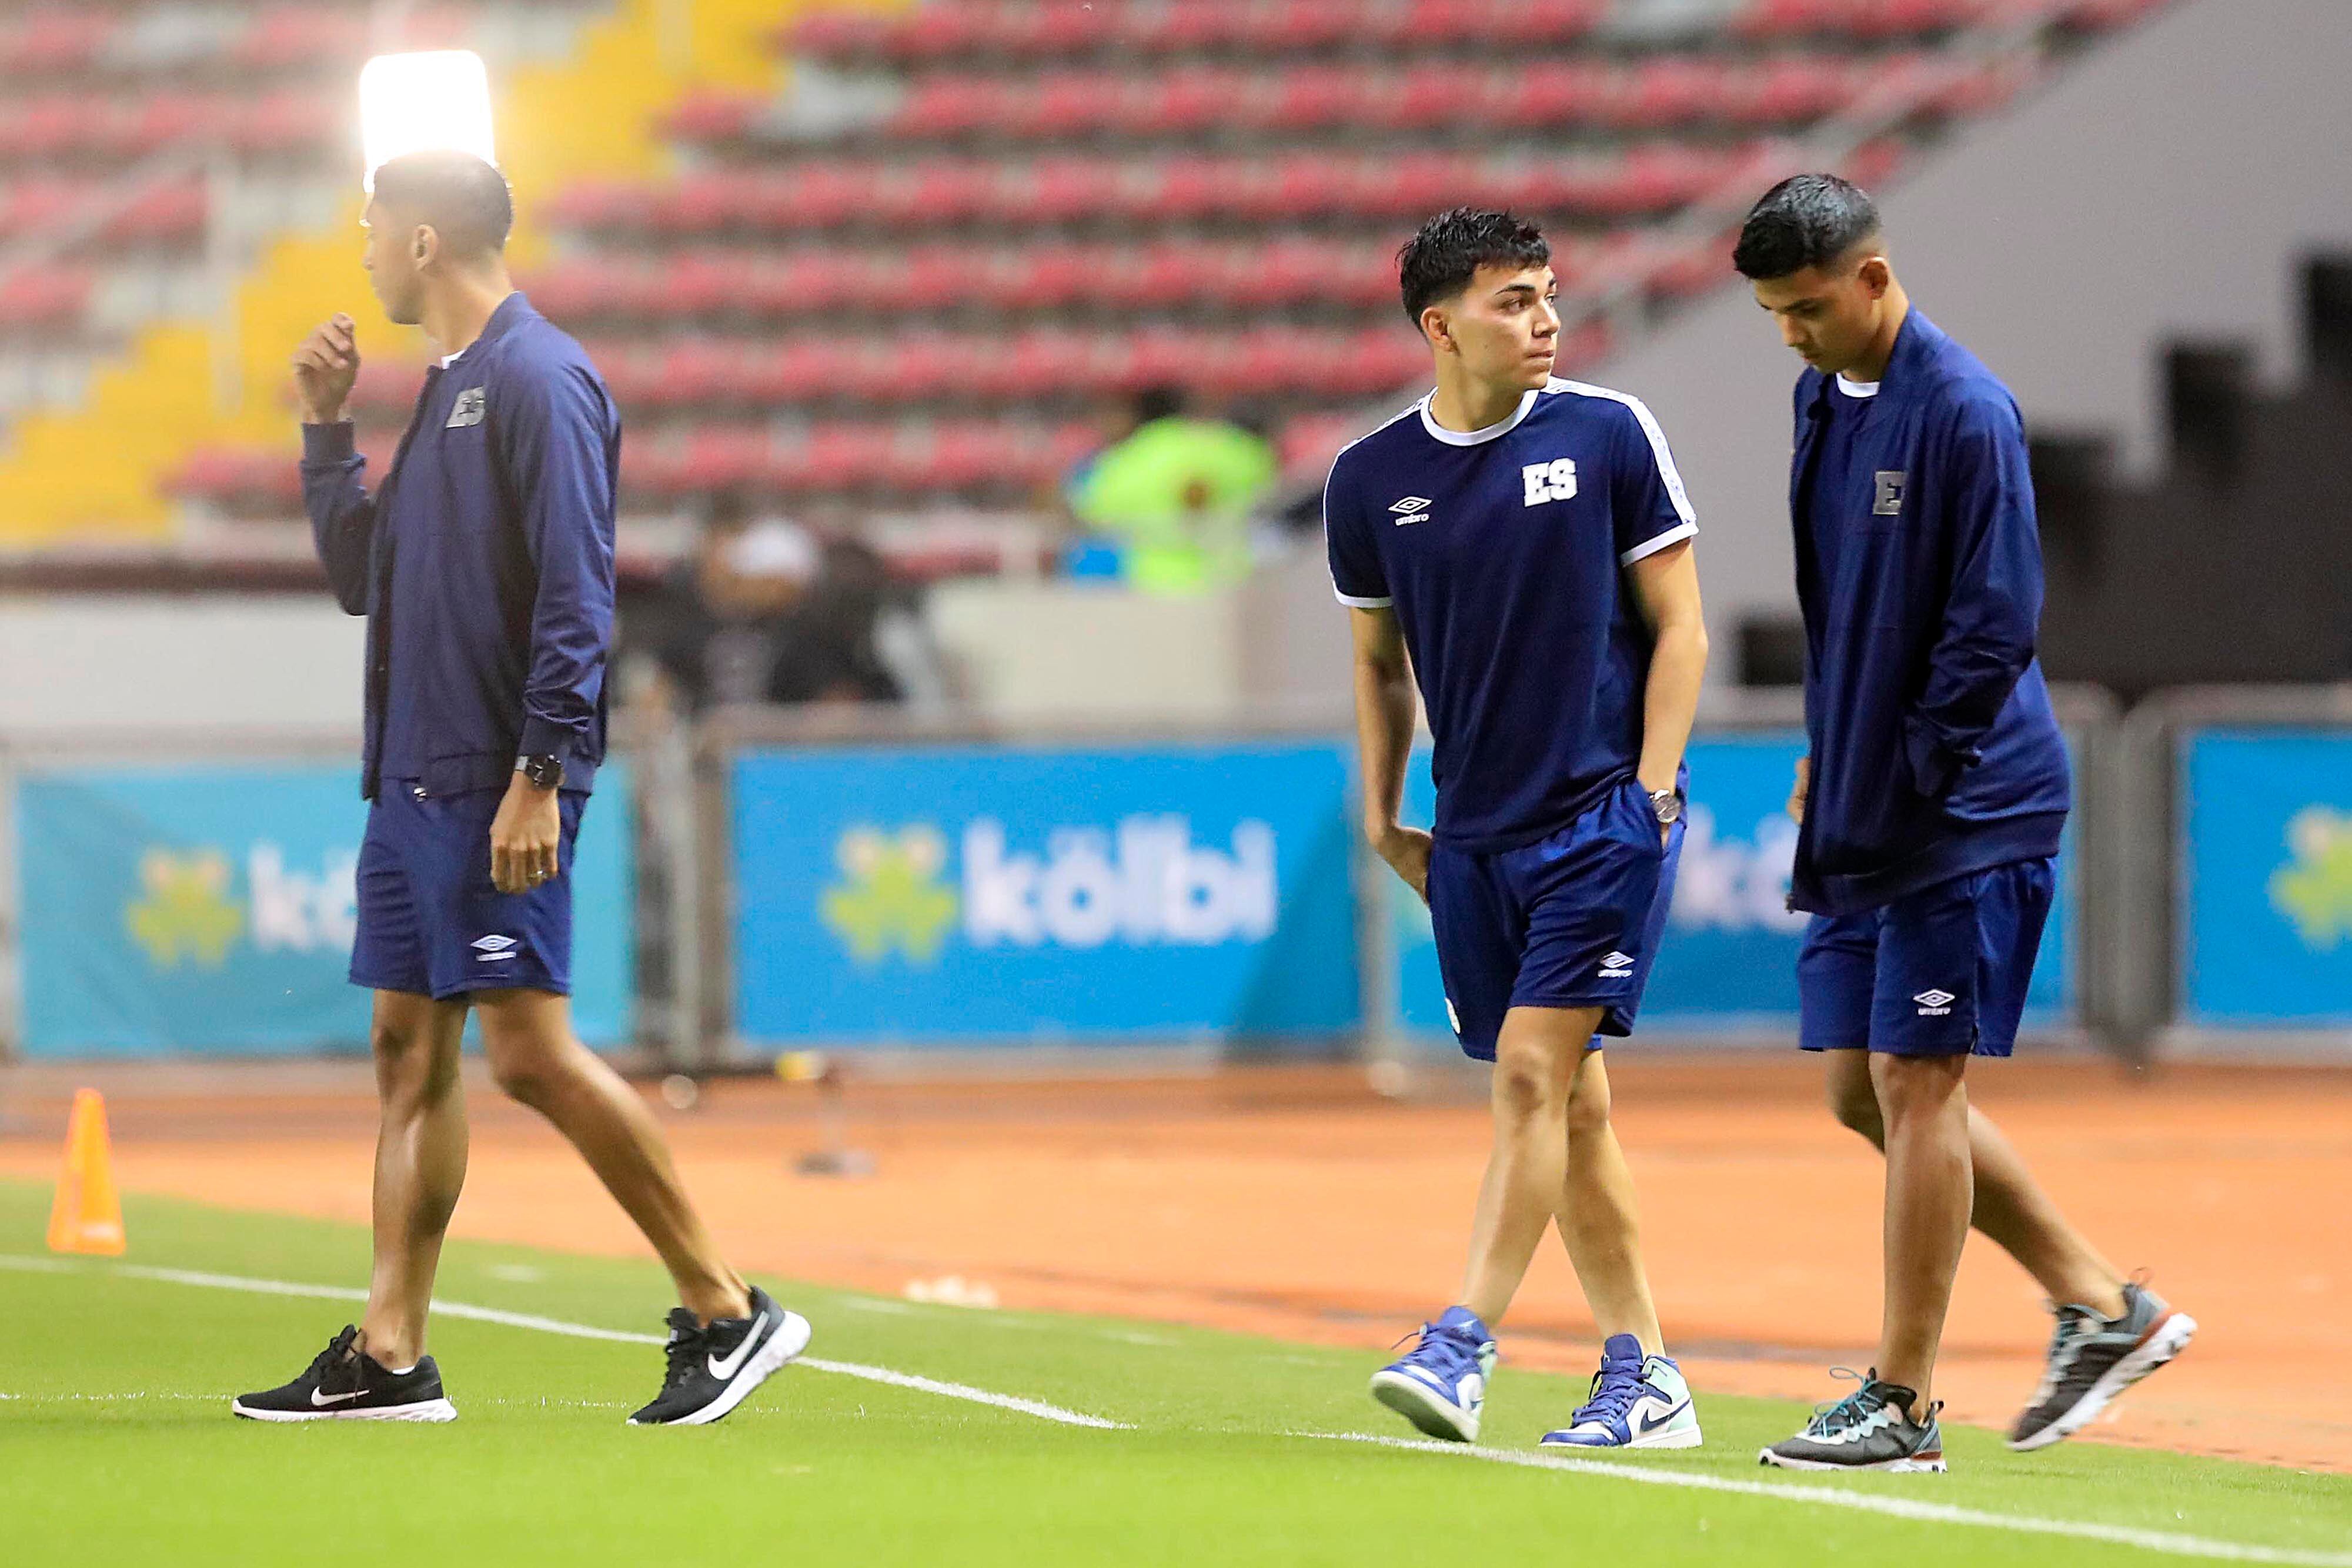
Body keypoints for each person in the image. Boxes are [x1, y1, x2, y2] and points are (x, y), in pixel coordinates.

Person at [235, 150, 808, 1427]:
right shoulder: (443, 389)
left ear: (426, 242)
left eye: (376, 225)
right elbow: (360, 576)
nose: (366, 244)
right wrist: (323, 429)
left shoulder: (538, 377)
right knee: (406, 1052)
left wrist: (541, 770)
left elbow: (577, 589)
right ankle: (391, 1355)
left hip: (498, 776)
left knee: (532, 1057)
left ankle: (726, 1306)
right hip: (414, 778)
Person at [1734, 175, 2194, 1472]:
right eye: (1774, 314)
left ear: (1873, 279)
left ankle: (1899, 1400)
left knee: (1912, 1080)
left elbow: (1992, 622)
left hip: (1963, 799)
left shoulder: (1965, 412)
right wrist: (1832, 746)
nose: (1790, 334)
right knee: (1855, 1090)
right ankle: (2108, 1306)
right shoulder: (1818, 398)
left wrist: (1906, 771)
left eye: (1806, 307)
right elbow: (1843, 604)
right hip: (1868, 791)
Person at [1328, 208, 1710, 1450]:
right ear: (1440, 325)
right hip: (1472, 838)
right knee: (1575, 1109)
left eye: (1547, 295)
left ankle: (1461, 1339)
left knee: (1532, 1076)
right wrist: (1386, 813)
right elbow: (1380, 667)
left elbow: (1680, 627)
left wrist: (1651, 792)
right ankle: (1643, 1372)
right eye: (1511, 301)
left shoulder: (1607, 433)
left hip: (1600, 815)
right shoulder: (1368, 478)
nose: (1543, 319)